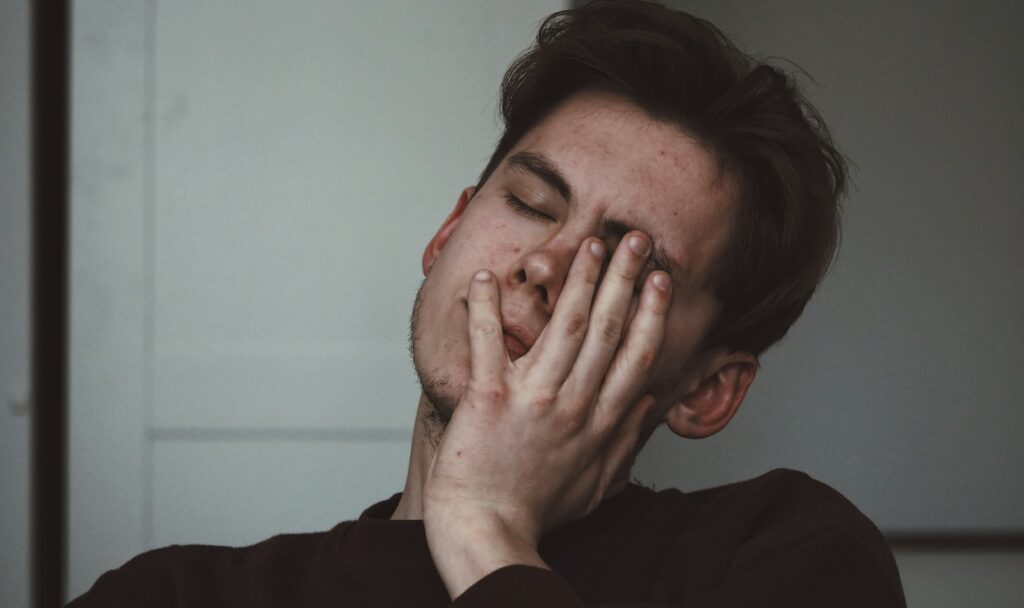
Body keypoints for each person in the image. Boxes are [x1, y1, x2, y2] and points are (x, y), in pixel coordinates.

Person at [69, 1, 906, 606]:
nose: (543, 265)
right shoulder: (175, 592)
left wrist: (486, 528)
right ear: (447, 235)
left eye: (624, 264)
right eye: (532, 206)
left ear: (707, 390)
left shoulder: (789, 554)